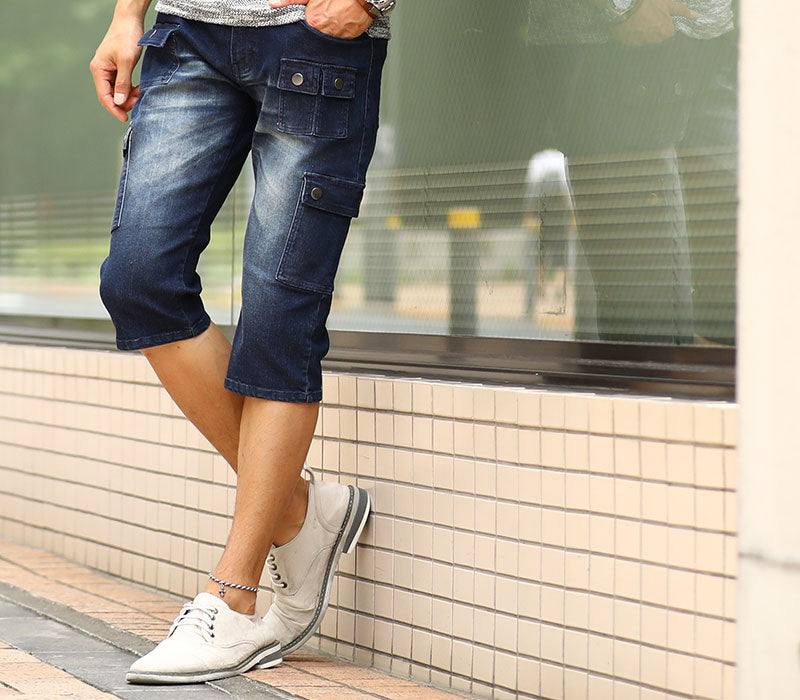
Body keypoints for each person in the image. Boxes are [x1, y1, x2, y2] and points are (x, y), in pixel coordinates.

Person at [89, 0, 394, 685]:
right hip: (188, 32)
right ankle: (298, 513)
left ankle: (234, 594)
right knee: (138, 280)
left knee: (279, 315)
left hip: (312, 42)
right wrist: (127, 14)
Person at [526, 0, 736, 344]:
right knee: (653, 332)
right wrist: (622, 8)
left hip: (707, 40)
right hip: (621, 44)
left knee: (743, 310)